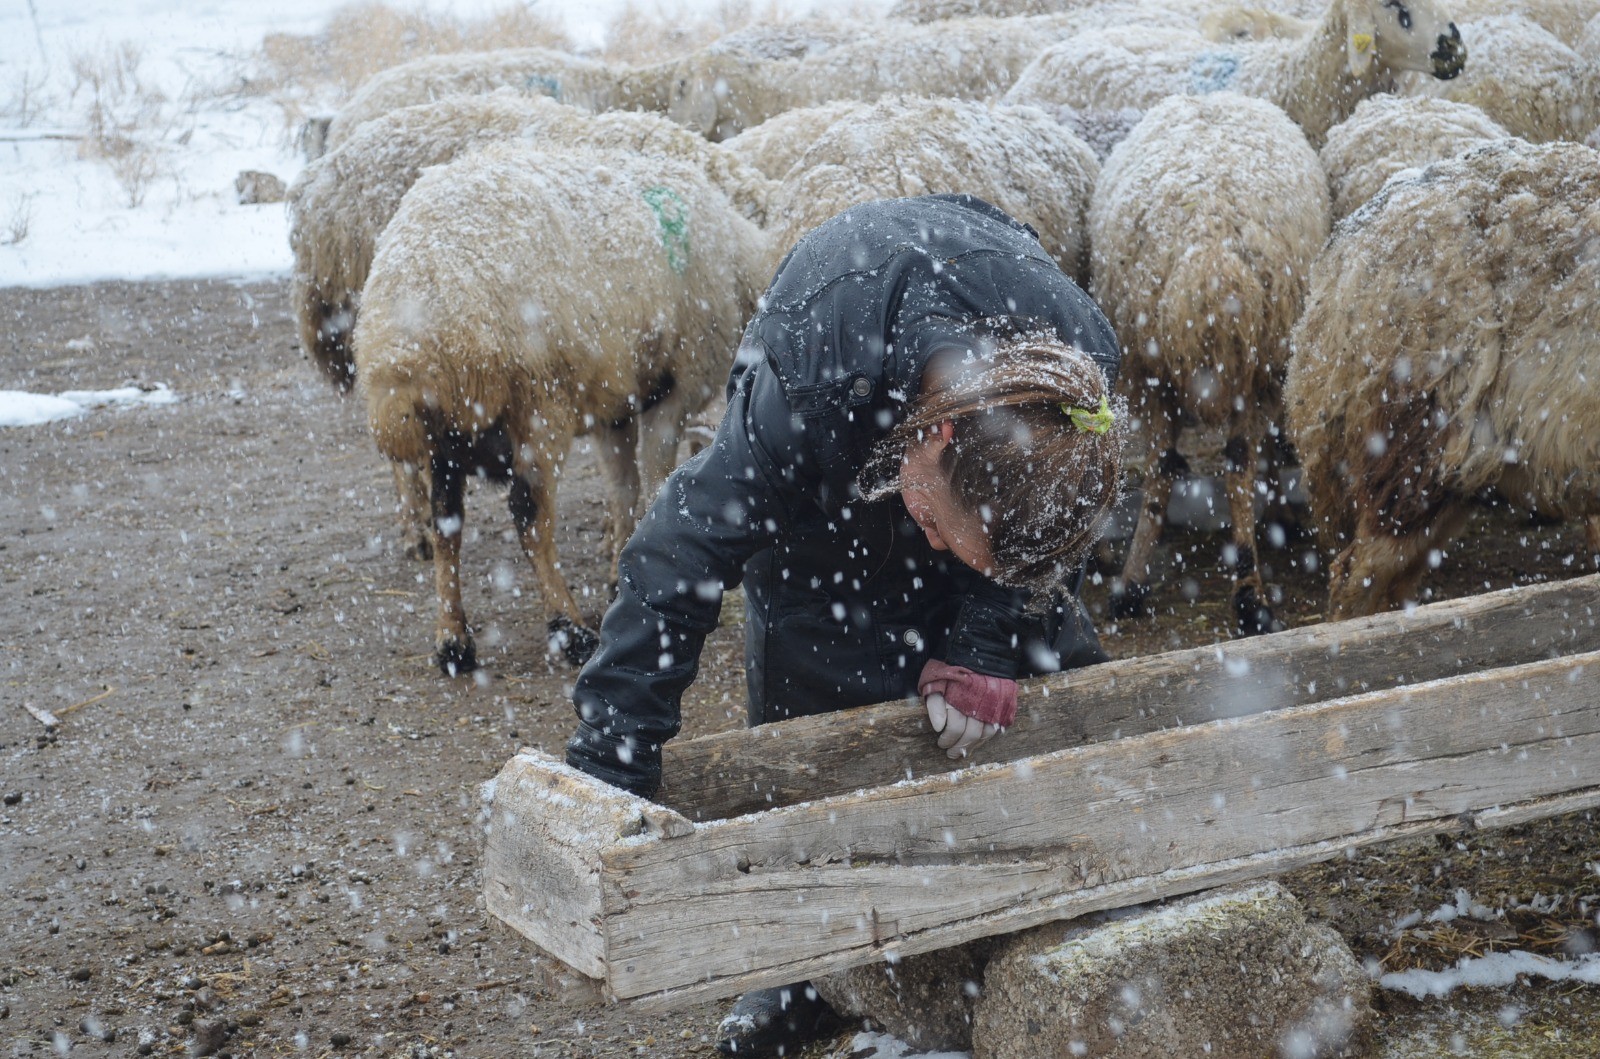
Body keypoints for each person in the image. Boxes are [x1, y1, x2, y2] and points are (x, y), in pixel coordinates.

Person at [565, 194, 1124, 1056]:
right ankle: (804, 962)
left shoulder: (1072, 381)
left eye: (960, 545)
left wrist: (983, 633)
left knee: (1052, 667)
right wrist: (610, 772)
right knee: (814, 686)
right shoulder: (810, 389)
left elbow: (1023, 546)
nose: (934, 543)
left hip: (966, 445)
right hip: (842, 400)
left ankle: (1046, 889)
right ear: (934, 438)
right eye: (938, 528)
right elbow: (673, 563)